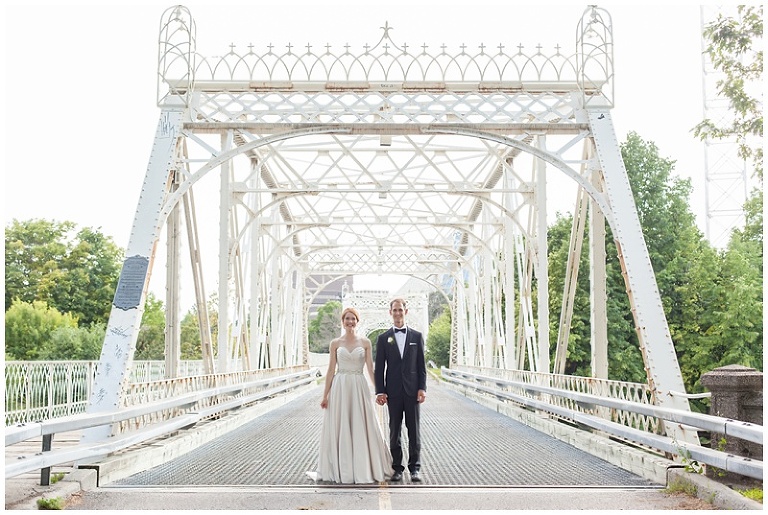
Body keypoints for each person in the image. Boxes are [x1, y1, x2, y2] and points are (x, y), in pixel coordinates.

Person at [311, 307, 393, 484]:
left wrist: (380, 390)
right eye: (347, 319)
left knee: (361, 423)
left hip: (358, 385)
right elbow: (331, 370)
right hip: (340, 387)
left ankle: (363, 467)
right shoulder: (335, 343)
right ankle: (342, 469)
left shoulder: (365, 343)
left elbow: (370, 369)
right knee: (341, 424)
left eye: (353, 319)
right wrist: (325, 396)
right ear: (343, 321)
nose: (350, 322)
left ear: (357, 321)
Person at [375, 298, 427, 482]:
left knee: (414, 430)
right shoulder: (383, 339)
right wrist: (380, 391)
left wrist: (422, 388)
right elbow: (379, 367)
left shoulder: (417, 337)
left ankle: (415, 468)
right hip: (393, 391)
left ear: (406, 311)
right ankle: (397, 467)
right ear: (390, 312)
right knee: (394, 430)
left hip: (413, 391)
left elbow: (421, 366)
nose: (397, 313)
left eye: (400, 310)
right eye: (394, 310)